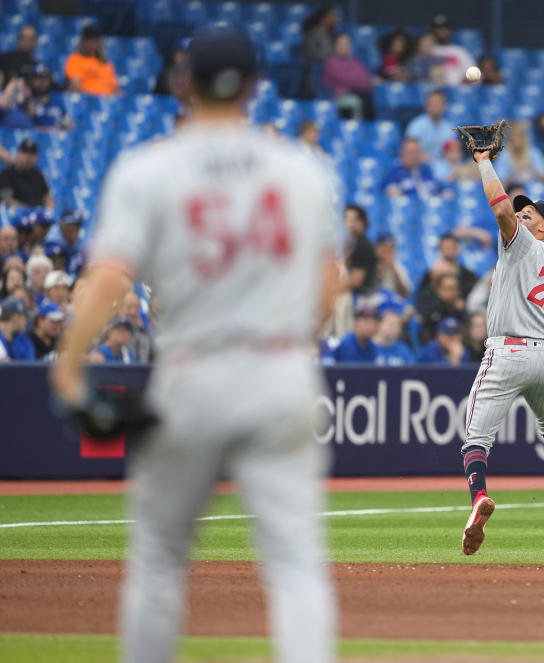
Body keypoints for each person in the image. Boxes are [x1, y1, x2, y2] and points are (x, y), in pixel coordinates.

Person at [49, 27, 338, 663]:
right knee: (296, 565)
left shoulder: (149, 168)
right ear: (257, 88)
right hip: (281, 370)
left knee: (157, 561)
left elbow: (109, 276)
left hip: (192, 374)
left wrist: (68, 369)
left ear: (183, 83)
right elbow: (327, 285)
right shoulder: (302, 169)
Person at [457, 142, 544, 557]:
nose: (521, 213)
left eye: (530, 213)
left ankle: (479, 497)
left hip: (507, 353)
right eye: (522, 211)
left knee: (475, 438)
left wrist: (484, 163)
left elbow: (500, 211)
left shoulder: (521, 243)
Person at [319, 33, 373, 120]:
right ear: (334, 46)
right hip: (339, 95)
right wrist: (366, 83)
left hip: (360, 92)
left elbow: (365, 77)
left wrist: (366, 82)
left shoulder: (356, 62)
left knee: (372, 99)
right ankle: (357, 128)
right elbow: (346, 79)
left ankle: (369, 130)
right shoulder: (331, 62)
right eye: (341, 44)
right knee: (358, 100)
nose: (345, 46)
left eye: (347, 43)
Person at [63, 24, 118, 96]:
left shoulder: (106, 63)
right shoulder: (75, 59)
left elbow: (115, 89)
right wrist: (97, 99)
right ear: (83, 42)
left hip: (107, 103)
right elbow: (75, 86)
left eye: (95, 41)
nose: (92, 44)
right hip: (87, 102)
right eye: (89, 41)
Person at [342, 204, 379, 306]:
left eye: (355, 220)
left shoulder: (363, 245)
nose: (351, 224)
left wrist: (332, 289)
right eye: (347, 219)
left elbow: (356, 280)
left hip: (364, 300)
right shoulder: (346, 244)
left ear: (363, 223)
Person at [0, 139, 52, 208]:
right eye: (25, 153)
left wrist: (50, 210)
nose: (28, 157)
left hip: (39, 215)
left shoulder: (38, 174)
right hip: (17, 215)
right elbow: (6, 199)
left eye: (31, 154)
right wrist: (27, 210)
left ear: (36, 157)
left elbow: (47, 198)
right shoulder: (8, 173)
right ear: (18, 153)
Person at [405, 90, 453, 163]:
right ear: (426, 106)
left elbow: (452, 153)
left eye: (438, 104)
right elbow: (409, 152)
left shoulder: (450, 128)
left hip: (444, 166)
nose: (435, 107)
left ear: (444, 106)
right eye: (432, 104)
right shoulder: (416, 125)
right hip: (420, 166)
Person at [495, 122, 544, 186]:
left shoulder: (534, 153)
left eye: (518, 138)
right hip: (512, 190)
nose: (516, 142)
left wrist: (531, 169)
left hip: (534, 190)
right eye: (513, 139)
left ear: (524, 138)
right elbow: (498, 183)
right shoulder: (505, 155)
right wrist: (515, 172)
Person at [428, 14, 476, 86]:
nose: (441, 31)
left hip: (456, 90)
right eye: (438, 28)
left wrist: (465, 81)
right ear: (433, 31)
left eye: (444, 28)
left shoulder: (460, 51)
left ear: (450, 30)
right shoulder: (428, 50)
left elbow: (474, 75)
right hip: (432, 90)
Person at [27, 64, 71, 130]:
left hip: (57, 136)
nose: (42, 81)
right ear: (31, 80)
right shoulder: (26, 98)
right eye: (38, 77)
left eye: (45, 78)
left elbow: (69, 123)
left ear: (50, 80)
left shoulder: (59, 98)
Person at [374, 233, 412, 300]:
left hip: (394, 307)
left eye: (392, 248)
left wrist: (395, 273)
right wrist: (380, 271)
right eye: (386, 248)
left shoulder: (398, 268)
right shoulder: (370, 266)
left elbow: (406, 294)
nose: (390, 252)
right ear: (377, 249)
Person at [0, 294, 35, 360]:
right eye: (25, 317)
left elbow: (30, 368)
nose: (26, 321)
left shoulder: (25, 341)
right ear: (15, 317)